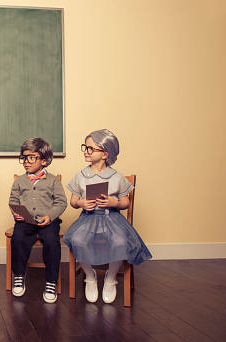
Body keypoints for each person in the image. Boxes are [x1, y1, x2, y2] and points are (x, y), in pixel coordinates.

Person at [63, 129, 152, 304]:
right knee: (78, 239)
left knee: (120, 241)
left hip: (111, 219)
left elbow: (125, 202)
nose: (86, 152)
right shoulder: (81, 176)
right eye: (85, 148)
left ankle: (111, 278)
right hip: (88, 218)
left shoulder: (116, 177)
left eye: (90, 148)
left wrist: (114, 203)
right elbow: (73, 201)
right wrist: (81, 203)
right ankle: (90, 275)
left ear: (105, 153)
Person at [9, 137, 68, 303]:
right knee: (18, 238)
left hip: (48, 221)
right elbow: (13, 201)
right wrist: (16, 213)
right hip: (25, 221)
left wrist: (50, 216)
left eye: (31, 157)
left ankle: (51, 281)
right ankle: (19, 275)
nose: (26, 162)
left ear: (44, 160)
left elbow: (61, 202)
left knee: (51, 240)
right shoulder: (20, 181)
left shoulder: (53, 181)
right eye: (24, 158)